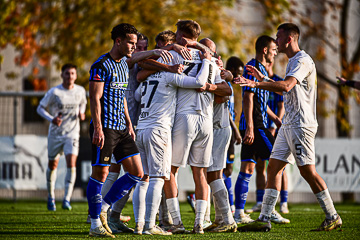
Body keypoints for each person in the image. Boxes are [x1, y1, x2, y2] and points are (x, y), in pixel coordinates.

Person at [236, 23, 342, 232]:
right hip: (289, 125)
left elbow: (286, 86)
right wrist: (263, 79)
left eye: (279, 36)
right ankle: (265, 216)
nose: (276, 41)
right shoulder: (292, 61)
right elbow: (286, 91)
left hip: (301, 125)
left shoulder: (302, 60)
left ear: (290, 39)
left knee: (308, 172)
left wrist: (257, 84)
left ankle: (332, 215)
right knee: (273, 168)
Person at [87, 23, 173, 238]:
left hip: (123, 128)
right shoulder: (101, 65)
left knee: (137, 173)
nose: (134, 47)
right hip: (105, 127)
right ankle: (95, 224)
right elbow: (94, 98)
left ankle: (104, 208)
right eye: (131, 43)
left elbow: (123, 97)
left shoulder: (124, 65)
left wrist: (128, 122)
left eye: (136, 43)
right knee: (101, 173)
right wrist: (97, 127)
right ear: (118, 41)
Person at [134, 47, 212, 235]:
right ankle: (150, 225)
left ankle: (139, 224)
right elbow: (199, 82)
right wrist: (207, 61)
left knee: (143, 179)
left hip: (141, 128)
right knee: (159, 177)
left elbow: (137, 96)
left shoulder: (146, 79)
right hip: (158, 129)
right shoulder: (169, 76)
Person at [234, 35, 284, 224]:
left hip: (256, 124)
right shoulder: (251, 68)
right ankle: (268, 209)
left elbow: (261, 102)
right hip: (256, 126)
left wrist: (276, 118)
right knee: (278, 161)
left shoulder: (262, 71)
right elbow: (248, 98)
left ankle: (239, 213)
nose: (275, 52)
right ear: (264, 50)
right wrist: (251, 128)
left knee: (248, 167)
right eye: (273, 49)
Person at [196, 38, 237, 233]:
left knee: (213, 173)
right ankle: (221, 218)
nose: (204, 52)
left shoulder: (216, 70)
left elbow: (225, 94)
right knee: (212, 173)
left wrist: (205, 89)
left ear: (215, 54)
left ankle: (228, 219)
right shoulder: (206, 67)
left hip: (219, 127)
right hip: (213, 127)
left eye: (208, 50)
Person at [37, 63, 86, 211]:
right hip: (56, 134)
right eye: (67, 73)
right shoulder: (55, 92)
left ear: (75, 76)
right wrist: (52, 119)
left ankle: (66, 199)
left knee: (72, 163)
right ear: (62, 75)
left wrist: (81, 112)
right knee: (53, 165)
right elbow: (40, 108)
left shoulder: (80, 90)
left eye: (72, 73)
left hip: (72, 133)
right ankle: (51, 197)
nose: (70, 76)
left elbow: (83, 104)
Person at [246, 61, 290, 216]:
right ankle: (261, 203)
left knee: (279, 165)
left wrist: (275, 122)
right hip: (262, 127)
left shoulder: (279, 81)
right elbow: (258, 102)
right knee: (259, 166)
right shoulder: (259, 78)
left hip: (274, 127)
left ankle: (282, 203)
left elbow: (282, 104)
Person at [223, 56, 244, 214]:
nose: (239, 77)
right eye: (237, 73)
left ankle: (229, 205)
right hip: (226, 131)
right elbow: (225, 113)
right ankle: (228, 205)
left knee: (227, 170)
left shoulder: (229, 85)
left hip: (227, 130)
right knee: (224, 169)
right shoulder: (224, 84)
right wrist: (236, 130)